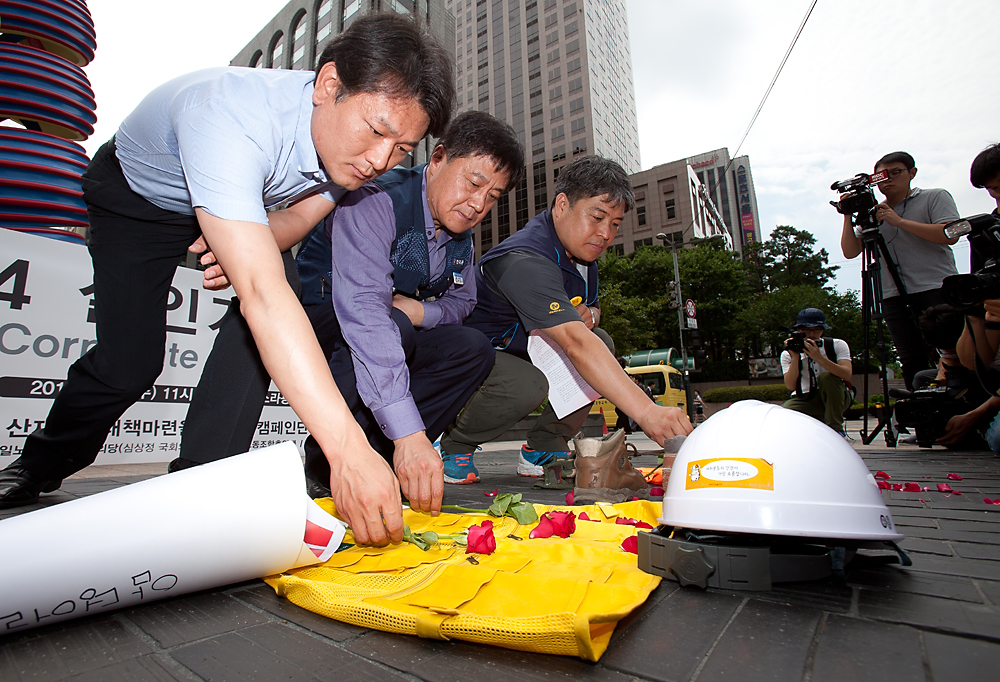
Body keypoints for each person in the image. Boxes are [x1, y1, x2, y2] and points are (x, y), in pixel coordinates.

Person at [0, 14, 453, 548]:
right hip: (138, 202)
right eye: (377, 131)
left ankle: (201, 480)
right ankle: (39, 464)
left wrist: (238, 242)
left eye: (401, 149)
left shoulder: (348, 156)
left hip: (240, 206)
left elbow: (293, 220)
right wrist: (349, 452)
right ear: (329, 85)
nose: (380, 160)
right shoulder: (229, 114)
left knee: (272, 294)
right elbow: (262, 294)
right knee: (130, 364)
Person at [294, 111, 523, 505]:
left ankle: (383, 456)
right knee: (393, 325)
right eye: (473, 183)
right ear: (438, 159)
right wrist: (410, 435)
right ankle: (325, 464)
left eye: (492, 197)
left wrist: (421, 312)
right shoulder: (376, 198)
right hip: (319, 322)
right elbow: (364, 312)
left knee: (472, 349)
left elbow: (463, 301)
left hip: (390, 325)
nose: (477, 205)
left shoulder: (461, 235)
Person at [436, 155, 692, 486]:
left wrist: (593, 314)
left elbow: (591, 308)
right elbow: (574, 343)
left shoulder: (583, 257)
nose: (605, 234)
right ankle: (454, 445)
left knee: (601, 341)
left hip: (527, 348)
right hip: (472, 354)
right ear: (561, 205)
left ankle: (543, 446)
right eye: (597, 217)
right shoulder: (523, 259)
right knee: (528, 382)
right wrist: (647, 412)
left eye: (615, 224)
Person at [840, 151, 961, 390]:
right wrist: (847, 215)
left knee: (952, 351)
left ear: (912, 173)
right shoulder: (874, 213)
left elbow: (950, 234)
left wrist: (899, 222)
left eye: (896, 173)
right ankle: (921, 407)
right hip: (892, 295)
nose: (888, 180)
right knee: (910, 358)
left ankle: (961, 402)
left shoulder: (934, 197)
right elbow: (850, 251)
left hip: (935, 287)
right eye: (881, 177)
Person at [780, 308, 853, 436]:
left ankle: (835, 429)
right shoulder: (788, 354)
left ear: (823, 329)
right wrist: (795, 357)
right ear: (799, 330)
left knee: (827, 377)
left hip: (836, 396)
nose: (812, 334)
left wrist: (818, 357)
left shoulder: (836, 345)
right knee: (786, 413)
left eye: (816, 330)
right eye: (807, 330)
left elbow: (846, 374)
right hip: (806, 398)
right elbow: (791, 386)